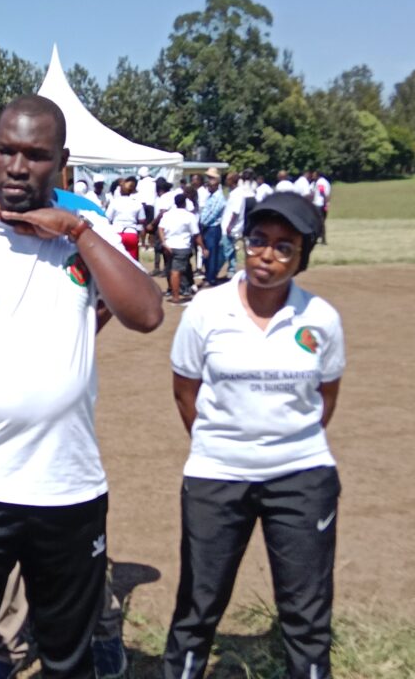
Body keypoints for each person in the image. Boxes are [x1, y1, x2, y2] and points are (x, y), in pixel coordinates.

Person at [0, 94, 164, 676]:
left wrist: (76, 231)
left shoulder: (86, 233)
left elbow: (147, 313)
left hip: (68, 489)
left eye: (37, 155)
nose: (18, 166)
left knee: (69, 660)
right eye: (6, 150)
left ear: (62, 162)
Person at [162, 192, 345, 679]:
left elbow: (326, 396)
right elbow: (185, 389)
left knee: (305, 609)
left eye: (284, 247)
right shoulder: (206, 309)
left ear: (303, 256)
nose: (266, 255)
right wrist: (224, 443)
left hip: (301, 476)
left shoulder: (321, 318)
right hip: (217, 474)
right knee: (199, 602)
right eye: (258, 240)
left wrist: (285, 443)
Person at [158, 194, 204, 306]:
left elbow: (160, 228)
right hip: (182, 246)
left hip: (169, 246)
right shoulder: (189, 216)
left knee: (171, 269)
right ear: (184, 203)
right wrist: (203, 247)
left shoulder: (167, 215)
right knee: (176, 272)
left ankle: (175, 290)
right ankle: (176, 296)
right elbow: (196, 234)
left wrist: (164, 242)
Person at [105, 177, 146, 260]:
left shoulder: (114, 202)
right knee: (132, 261)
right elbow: (142, 220)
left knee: (115, 260)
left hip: (116, 233)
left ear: (120, 191)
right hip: (131, 233)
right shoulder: (137, 203)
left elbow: (107, 218)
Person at [197, 167, 225, 287]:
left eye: (211, 178)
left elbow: (212, 214)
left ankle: (211, 278)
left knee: (212, 254)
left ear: (217, 181)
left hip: (212, 228)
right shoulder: (211, 196)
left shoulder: (219, 197)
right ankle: (208, 275)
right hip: (207, 227)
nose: (208, 181)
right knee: (206, 253)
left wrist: (202, 224)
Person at [313, 170, 331, 243]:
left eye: (314, 175)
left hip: (319, 203)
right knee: (321, 222)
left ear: (318, 175)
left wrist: (324, 203)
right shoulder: (326, 182)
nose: (313, 177)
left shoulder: (320, 182)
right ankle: (322, 238)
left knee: (319, 222)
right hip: (324, 203)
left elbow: (322, 192)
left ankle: (321, 238)